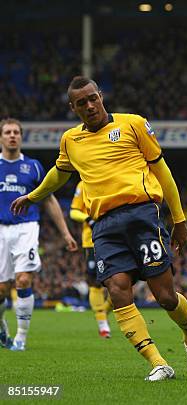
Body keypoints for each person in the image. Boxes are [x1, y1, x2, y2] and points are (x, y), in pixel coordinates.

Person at [11, 77, 187, 381]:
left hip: (143, 215)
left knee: (165, 297)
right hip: (103, 225)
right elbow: (58, 174)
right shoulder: (71, 141)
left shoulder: (134, 124)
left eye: (93, 98)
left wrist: (179, 220)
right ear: (72, 107)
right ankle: (158, 363)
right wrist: (33, 195)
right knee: (117, 290)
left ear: (101, 96)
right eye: (81, 103)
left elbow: (162, 172)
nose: (90, 106)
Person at [0, 118, 78, 351]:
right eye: (7, 132)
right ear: (1, 137)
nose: (12, 135)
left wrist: (65, 233)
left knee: (23, 279)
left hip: (26, 227)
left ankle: (21, 338)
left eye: (16, 132)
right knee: (1, 289)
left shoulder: (33, 167)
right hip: (0, 230)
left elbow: (49, 200)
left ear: (21, 137)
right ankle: (2, 327)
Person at [70, 180, 113, 338]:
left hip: (116, 237)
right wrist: (89, 219)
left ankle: (103, 313)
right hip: (92, 241)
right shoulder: (83, 185)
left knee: (123, 281)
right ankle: (102, 323)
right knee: (95, 283)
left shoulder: (113, 179)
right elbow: (73, 211)